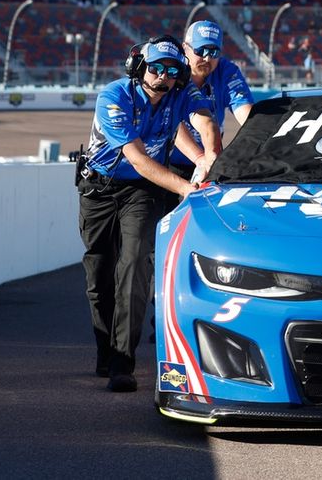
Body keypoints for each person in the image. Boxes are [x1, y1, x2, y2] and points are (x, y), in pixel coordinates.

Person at [76, 35, 221, 392]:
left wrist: (206, 157)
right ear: (139, 66)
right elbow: (138, 159)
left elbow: (206, 124)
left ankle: (123, 362)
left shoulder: (182, 94)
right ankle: (106, 351)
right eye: (157, 67)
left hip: (142, 193)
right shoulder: (114, 96)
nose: (163, 76)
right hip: (99, 188)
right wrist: (186, 187)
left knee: (136, 264)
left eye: (172, 70)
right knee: (100, 272)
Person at [170, 20, 254, 184]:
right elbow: (171, 124)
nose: (207, 58)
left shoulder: (226, 71)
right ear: (185, 48)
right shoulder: (171, 71)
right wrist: (200, 159)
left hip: (211, 160)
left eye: (214, 51)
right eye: (201, 50)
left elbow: (247, 115)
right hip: (169, 160)